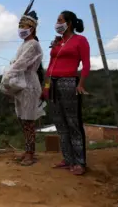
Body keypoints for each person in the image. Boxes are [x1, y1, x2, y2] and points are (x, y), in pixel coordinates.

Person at [42, 10, 90, 176]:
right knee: (60, 124)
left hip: (69, 83)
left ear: (69, 23)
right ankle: (68, 159)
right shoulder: (58, 42)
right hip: (53, 84)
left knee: (73, 123)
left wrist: (80, 84)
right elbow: (50, 66)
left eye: (60, 20)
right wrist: (46, 86)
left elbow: (86, 64)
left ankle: (80, 162)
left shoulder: (80, 40)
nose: (57, 23)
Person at [7, 0, 45, 166]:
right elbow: (17, 62)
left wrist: (8, 75)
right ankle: (27, 150)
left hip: (29, 85)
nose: (21, 29)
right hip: (22, 85)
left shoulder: (33, 44)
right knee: (23, 119)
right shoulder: (24, 44)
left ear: (32, 28)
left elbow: (20, 64)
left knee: (29, 120)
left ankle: (30, 153)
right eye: (20, 26)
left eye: (24, 26)